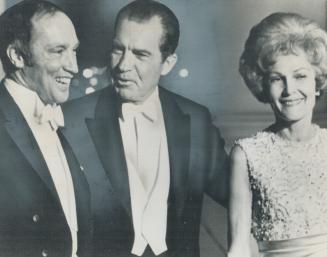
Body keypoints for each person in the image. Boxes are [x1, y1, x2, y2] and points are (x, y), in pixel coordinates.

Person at [63, 0, 229, 256]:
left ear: (168, 63)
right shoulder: (71, 120)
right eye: (118, 50)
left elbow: (236, 193)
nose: (123, 65)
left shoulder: (196, 120)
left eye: (140, 54)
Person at [228, 12, 327, 257]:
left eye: (300, 76)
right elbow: (239, 246)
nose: (290, 90)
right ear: (262, 84)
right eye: (277, 79)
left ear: (318, 81)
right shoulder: (247, 154)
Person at [0, 1, 91, 257]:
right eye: (58, 51)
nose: (73, 66)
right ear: (17, 56)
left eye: (73, 50)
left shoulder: (63, 118)